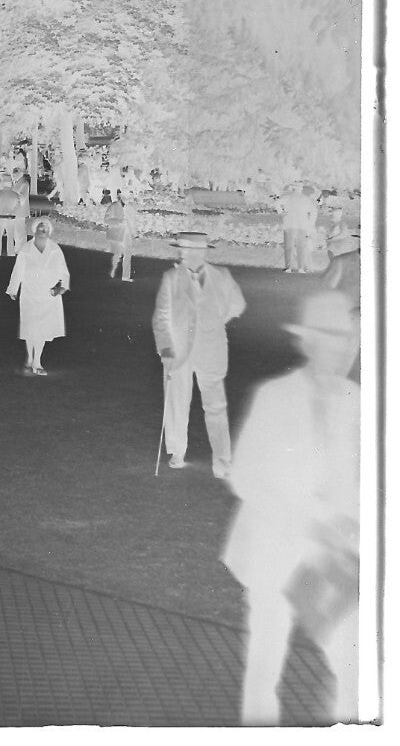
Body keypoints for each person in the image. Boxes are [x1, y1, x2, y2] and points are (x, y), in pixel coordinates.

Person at [222, 290, 359, 725]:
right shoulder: (275, 397)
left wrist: (349, 520)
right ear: (308, 343)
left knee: (352, 666)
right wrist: (302, 518)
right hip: (274, 550)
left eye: (347, 341)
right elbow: (243, 474)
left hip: (331, 555)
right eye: (331, 341)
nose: (340, 351)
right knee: (265, 666)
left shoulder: (359, 401)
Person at [153, 231, 247, 476]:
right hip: (177, 350)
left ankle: (222, 460)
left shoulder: (222, 276)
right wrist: (165, 347)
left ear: (201, 253)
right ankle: (177, 450)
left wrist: (215, 321)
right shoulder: (171, 277)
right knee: (176, 402)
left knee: (216, 406)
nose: (182, 254)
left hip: (211, 350)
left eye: (187, 250)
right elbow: (161, 316)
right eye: (181, 250)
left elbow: (237, 304)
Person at [6, 218, 71, 375]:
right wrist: (13, 288)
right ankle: (29, 358)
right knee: (31, 327)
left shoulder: (55, 249)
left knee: (42, 328)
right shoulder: (26, 249)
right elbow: (18, 270)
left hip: (48, 294)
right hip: (30, 293)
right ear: (34, 230)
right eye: (41, 229)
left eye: (46, 229)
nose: (44, 232)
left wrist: (61, 288)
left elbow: (64, 272)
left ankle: (37, 362)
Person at [279, 183, 317, 273]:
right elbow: (314, 212)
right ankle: (301, 268)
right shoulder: (306, 199)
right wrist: (310, 223)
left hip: (289, 224)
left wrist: (281, 212)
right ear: (301, 189)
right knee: (301, 247)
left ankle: (288, 267)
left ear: (293, 188)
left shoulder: (288, 197)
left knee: (288, 246)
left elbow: (277, 203)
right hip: (302, 225)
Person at [105, 191, 138, 282]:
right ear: (121, 197)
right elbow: (106, 219)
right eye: (126, 197)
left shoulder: (131, 207)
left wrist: (135, 233)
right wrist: (118, 221)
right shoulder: (113, 206)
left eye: (129, 197)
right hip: (117, 234)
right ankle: (111, 273)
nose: (128, 199)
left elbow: (133, 221)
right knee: (116, 255)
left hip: (127, 234)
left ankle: (125, 276)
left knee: (128, 254)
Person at [0, 179, 23, 258]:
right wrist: (12, 214)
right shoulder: (15, 195)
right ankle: (10, 252)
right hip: (10, 218)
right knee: (10, 236)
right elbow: (18, 206)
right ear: (11, 184)